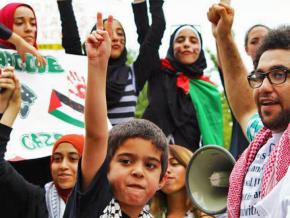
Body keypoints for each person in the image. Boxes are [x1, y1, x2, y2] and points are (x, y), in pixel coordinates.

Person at [64, 12, 168, 218]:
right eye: (126, 161)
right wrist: (96, 65)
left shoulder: (132, 74)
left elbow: (151, 40)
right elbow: (96, 135)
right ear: (107, 168)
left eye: (150, 165)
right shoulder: (95, 199)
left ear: (162, 180)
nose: (138, 172)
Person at [208, 3, 290, 217]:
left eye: (279, 74)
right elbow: (244, 107)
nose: (263, 87)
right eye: (259, 76)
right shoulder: (264, 140)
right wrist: (223, 37)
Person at [56, 0, 165, 126]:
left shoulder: (134, 74)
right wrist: (64, 4)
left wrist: (140, 3)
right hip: (91, 145)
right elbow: (72, 41)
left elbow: (152, 37)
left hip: (124, 146)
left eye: (120, 34)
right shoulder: (84, 73)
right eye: (108, 33)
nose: (116, 38)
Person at [0, 66, 84, 218]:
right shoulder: (35, 199)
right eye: (57, 159)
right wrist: (12, 108)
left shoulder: (102, 204)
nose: (63, 166)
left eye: (73, 159)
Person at [141, 23, 223, 152]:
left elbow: (212, 134)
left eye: (193, 41)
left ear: (200, 49)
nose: (186, 44)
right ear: (171, 46)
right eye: (180, 40)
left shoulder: (207, 89)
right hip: (149, 155)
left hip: (186, 163)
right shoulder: (158, 72)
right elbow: (146, 38)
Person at [217, 23, 270, 159]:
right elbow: (227, 66)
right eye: (254, 41)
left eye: (279, 76)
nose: (265, 89)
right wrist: (221, 34)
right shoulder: (237, 82)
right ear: (246, 49)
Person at [150, 144, 214, 218]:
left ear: (190, 168)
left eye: (174, 164)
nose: (166, 170)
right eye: (162, 166)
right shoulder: (146, 213)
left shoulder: (214, 211)